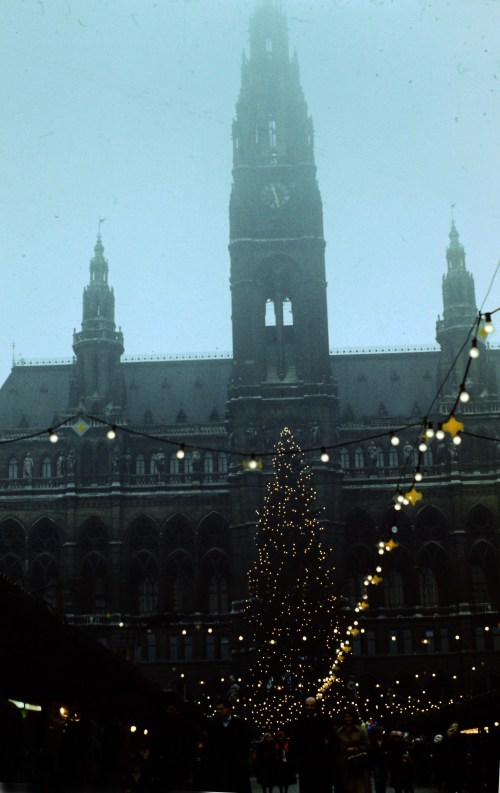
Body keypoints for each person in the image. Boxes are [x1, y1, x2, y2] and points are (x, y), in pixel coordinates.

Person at [200, 696, 251, 793]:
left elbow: (245, 744)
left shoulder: (239, 724)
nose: (219, 711)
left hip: (236, 766)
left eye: (221, 709)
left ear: (229, 709)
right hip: (220, 766)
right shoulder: (214, 725)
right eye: (217, 709)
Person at [289, 695, 336, 793]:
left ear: (316, 706)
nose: (309, 708)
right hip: (305, 765)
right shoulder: (299, 722)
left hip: (322, 764)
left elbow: (332, 741)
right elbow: (294, 743)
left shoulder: (324, 721)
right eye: (307, 705)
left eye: (311, 705)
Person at [336, 708, 370, 793]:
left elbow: (368, 746)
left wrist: (356, 749)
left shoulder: (360, 731)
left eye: (349, 717)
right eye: (346, 717)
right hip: (344, 764)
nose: (347, 719)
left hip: (358, 764)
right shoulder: (339, 732)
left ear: (353, 718)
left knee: (359, 788)